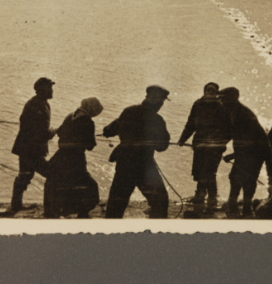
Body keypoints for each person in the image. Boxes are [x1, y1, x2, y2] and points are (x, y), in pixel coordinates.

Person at [103, 85, 171, 218]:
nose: (161, 104)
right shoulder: (157, 120)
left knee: (116, 203)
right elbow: (162, 147)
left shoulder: (128, 111)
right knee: (160, 200)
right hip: (144, 165)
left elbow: (109, 130)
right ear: (155, 100)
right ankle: (159, 233)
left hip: (124, 161)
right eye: (161, 101)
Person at [43, 97, 103, 219]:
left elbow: (59, 132)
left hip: (60, 156)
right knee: (90, 186)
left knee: (55, 183)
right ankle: (82, 211)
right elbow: (90, 146)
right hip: (75, 159)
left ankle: (52, 211)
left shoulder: (70, 116)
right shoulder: (88, 122)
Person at [178, 82, 231, 213]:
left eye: (213, 90)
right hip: (200, 144)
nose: (210, 92)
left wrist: (222, 142)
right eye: (208, 90)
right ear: (204, 91)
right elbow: (191, 123)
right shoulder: (198, 104)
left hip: (215, 146)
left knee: (209, 171)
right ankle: (203, 194)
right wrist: (183, 138)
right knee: (199, 170)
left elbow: (229, 128)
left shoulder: (222, 106)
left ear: (217, 92)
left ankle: (208, 196)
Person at [220, 87, 272, 217]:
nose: (221, 101)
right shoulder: (232, 111)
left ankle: (245, 209)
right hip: (247, 150)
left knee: (247, 179)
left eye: (224, 98)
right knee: (235, 177)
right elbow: (230, 133)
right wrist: (218, 145)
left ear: (234, 98)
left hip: (257, 151)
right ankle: (234, 207)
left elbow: (249, 142)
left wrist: (232, 155)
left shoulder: (244, 114)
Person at [10, 77, 56, 212]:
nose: (52, 91)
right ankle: (49, 206)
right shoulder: (37, 105)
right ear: (42, 90)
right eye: (49, 88)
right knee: (51, 175)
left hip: (27, 148)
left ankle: (16, 205)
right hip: (31, 150)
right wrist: (55, 131)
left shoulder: (40, 103)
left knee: (25, 175)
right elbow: (42, 133)